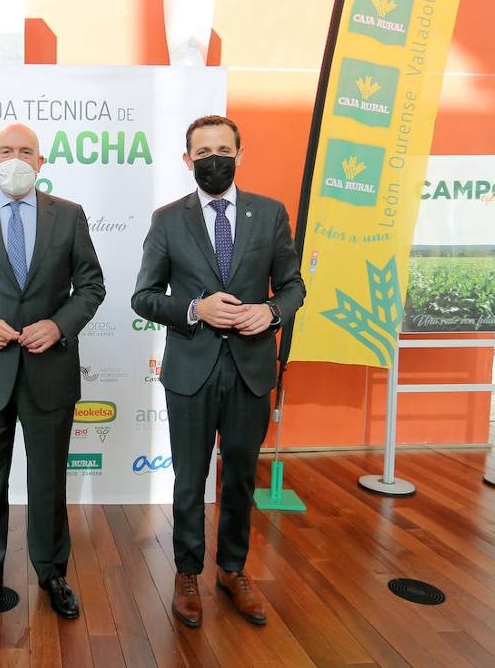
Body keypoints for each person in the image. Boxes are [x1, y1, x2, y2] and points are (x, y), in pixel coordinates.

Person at [131, 114, 304, 628]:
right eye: (202, 153)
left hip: (252, 368)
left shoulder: (270, 215)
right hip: (191, 369)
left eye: (222, 150)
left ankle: (232, 570)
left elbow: (293, 286)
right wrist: (193, 309)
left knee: (241, 478)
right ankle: (187, 573)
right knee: (189, 479)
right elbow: (143, 298)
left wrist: (270, 311)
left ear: (239, 154)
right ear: (187, 161)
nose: (213, 160)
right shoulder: (167, 220)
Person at [0, 123, 106, 619]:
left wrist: (59, 324)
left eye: (26, 151)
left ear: (41, 161)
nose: (16, 158)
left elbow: (91, 287)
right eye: (6, 150)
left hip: (50, 372)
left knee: (49, 482)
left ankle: (52, 574)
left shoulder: (68, 216)